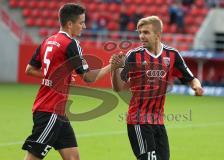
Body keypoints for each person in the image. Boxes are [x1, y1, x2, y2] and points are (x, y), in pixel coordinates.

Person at [22, 3, 112, 160]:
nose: (84, 26)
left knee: (73, 157)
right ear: (70, 24)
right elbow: (88, 77)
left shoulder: (47, 41)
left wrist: (57, 76)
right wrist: (112, 66)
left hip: (57, 112)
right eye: (81, 22)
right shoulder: (71, 44)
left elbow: (29, 69)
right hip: (50, 111)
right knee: (33, 156)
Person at [110, 16, 204, 160]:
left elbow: (191, 78)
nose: (141, 36)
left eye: (146, 32)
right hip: (138, 120)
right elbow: (118, 88)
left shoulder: (172, 55)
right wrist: (115, 69)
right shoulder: (134, 56)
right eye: (140, 32)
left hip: (158, 122)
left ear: (158, 34)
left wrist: (197, 87)